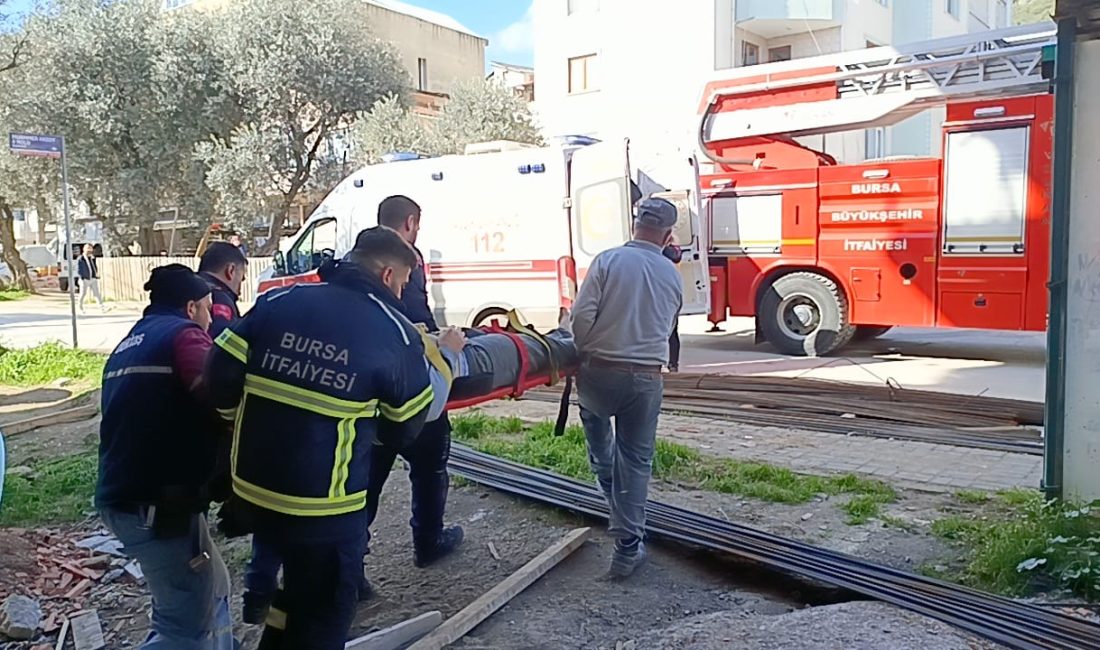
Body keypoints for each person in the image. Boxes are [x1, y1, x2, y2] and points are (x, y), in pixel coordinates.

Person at [206, 227, 444, 648]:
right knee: (326, 611)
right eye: (405, 281)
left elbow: (219, 372)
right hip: (325, 510)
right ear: (389, 274)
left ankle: (277, 633)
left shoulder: (281, 301)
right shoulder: (395, 332)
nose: (404, 289)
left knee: (294, 589)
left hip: (254, 494)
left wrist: (234, 420)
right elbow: (408, 425)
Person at [95, 264, 238, 648]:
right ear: (191, 307)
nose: (211, 320)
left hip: (132, 497)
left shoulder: (132, 341)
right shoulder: (185, 336)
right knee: (183, 625)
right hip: (156, 505)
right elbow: (221, 397)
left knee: (215, 587)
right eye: (208, 309)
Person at [569, 197, 683, 579]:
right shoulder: (671, 274)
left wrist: (587, 352)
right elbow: (666, 329)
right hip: (645, 379)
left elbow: (581, 317)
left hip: (599, 373)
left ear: (634, 224)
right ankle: (627, 549)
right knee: (634, 462)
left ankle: (611, 503)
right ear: (667, 235)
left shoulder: (608, 260)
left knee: (601, 445)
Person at [366, 195, 464, 571]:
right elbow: (415, 316)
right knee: (429, 460)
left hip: (368, 391)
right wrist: (447, 350)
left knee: (368, 477)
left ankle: (353, 564)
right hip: (409, 380)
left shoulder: (357, 255)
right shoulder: (406, 256)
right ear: (410, 222)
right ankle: (429, 540)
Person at [198, 242, 248, 338]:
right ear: (230, 270)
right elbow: (223, 343)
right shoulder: (219, 298)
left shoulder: (185, 286)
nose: (243, 279)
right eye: (242, 276)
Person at [662, 238, 683, 373]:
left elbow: (675, 256)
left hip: (666, 294)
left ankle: (672, 363)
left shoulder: (668, 250)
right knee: (672, 331)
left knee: (671, 331)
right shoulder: (672, 248)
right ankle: (672, 364)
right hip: (669, 292)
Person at [77, 244, 106, 313]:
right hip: (84, 279)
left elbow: (93, 267)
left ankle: (102, 307)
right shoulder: (81, 258)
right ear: (84, 249)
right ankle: (80, 307)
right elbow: (79, 269)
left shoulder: (92, 258)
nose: (89, 250)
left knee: (97, 293)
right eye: (88, 249)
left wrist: (95, 275)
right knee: (83, 294)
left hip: (92, 279)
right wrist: (82, 277)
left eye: (90, 249)